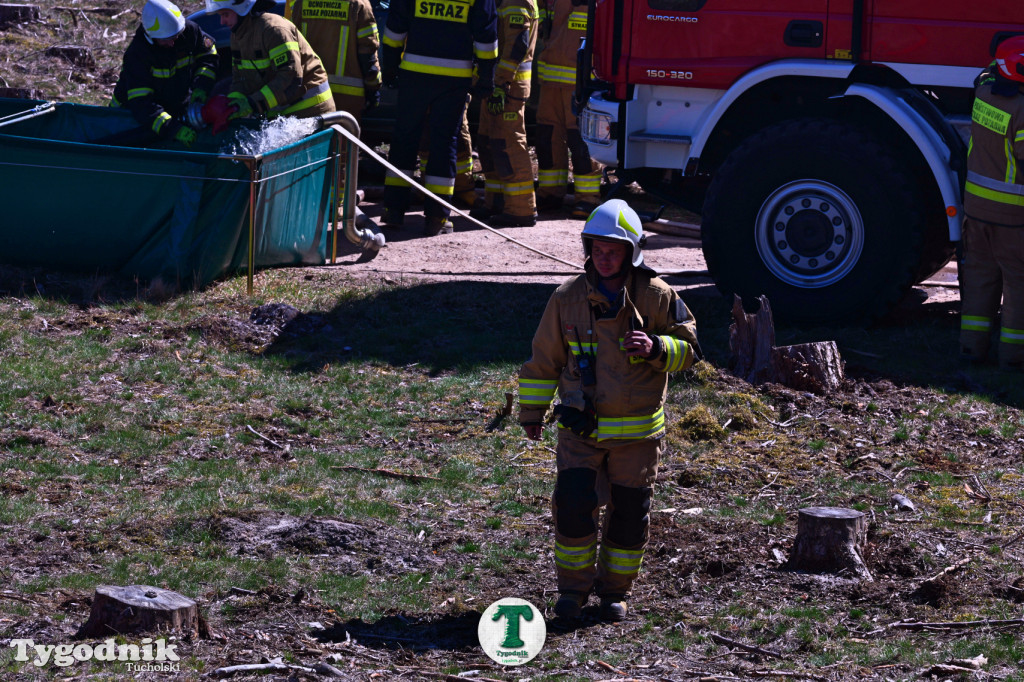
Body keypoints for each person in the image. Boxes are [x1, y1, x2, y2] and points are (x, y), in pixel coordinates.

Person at [517, 199, 700, 621]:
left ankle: (615, 592)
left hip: (637, 438)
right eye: (597, 249)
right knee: (573, 507)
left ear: (631, 253)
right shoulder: (567, 298)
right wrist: (531, 413)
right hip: (580, 430)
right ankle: (572, 591)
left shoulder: (658, 296)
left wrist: (657, 347)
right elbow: (544, 360)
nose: (603, 258)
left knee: (629, 515)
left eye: (612, 251)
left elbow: (691, 351)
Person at [379, 0, 498, 236]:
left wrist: (391, 66)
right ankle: (437, 217)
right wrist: (486, 77)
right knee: (444, 143)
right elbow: (486, 36)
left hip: (414, 73)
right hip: (455, 78)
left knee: (404, 138)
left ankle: (393, 210)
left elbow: (395, 28)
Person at [960, 35, 1024, 370]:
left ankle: (971, 350)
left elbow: (986, 74)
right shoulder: (1022, 110)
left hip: (976, 208)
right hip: (1012, 216)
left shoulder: (983, 92)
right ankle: (1013, 358)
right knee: (1018, 285)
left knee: (980, 279)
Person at [110, 0, 219, 148]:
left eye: (176, 36)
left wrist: (201, 86)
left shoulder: (188, 31)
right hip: (130, 117)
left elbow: (208, 56)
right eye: (166, 40)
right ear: (151, 37)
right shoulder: (138, 55)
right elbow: (142, 104)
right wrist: (173, 128)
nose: (173, 43)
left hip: (172, 108)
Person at [206, 0, 336, 122]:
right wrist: (233, 102)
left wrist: (253, 103)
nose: (222, 22)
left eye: (226, 14)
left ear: (241, 8)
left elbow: (290, 78)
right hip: (282, 116)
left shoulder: (274, 30)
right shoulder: (237, 35)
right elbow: (239, 77)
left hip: (310, 110)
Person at [471, 0, 539, 227]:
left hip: (508, 88)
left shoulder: (516, 1)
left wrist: (500, 82)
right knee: (489, 143)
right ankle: (497, 202)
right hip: (494, 85)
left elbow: (517, 44)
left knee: (508, 145)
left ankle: (521, 208)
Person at [534, 0, 602, 217]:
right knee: (547, 138)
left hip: (582, 83)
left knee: (580, 140)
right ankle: (550, 193)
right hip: (550, 81)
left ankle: (588, 198)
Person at [285, 0, 381, 126]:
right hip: (347, 97)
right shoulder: (359, 4)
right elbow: (368, 54)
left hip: (311, 95)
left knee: (314, 137)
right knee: (345, 137)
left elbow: (290, 46)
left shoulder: (300, 3)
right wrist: (373, 88)